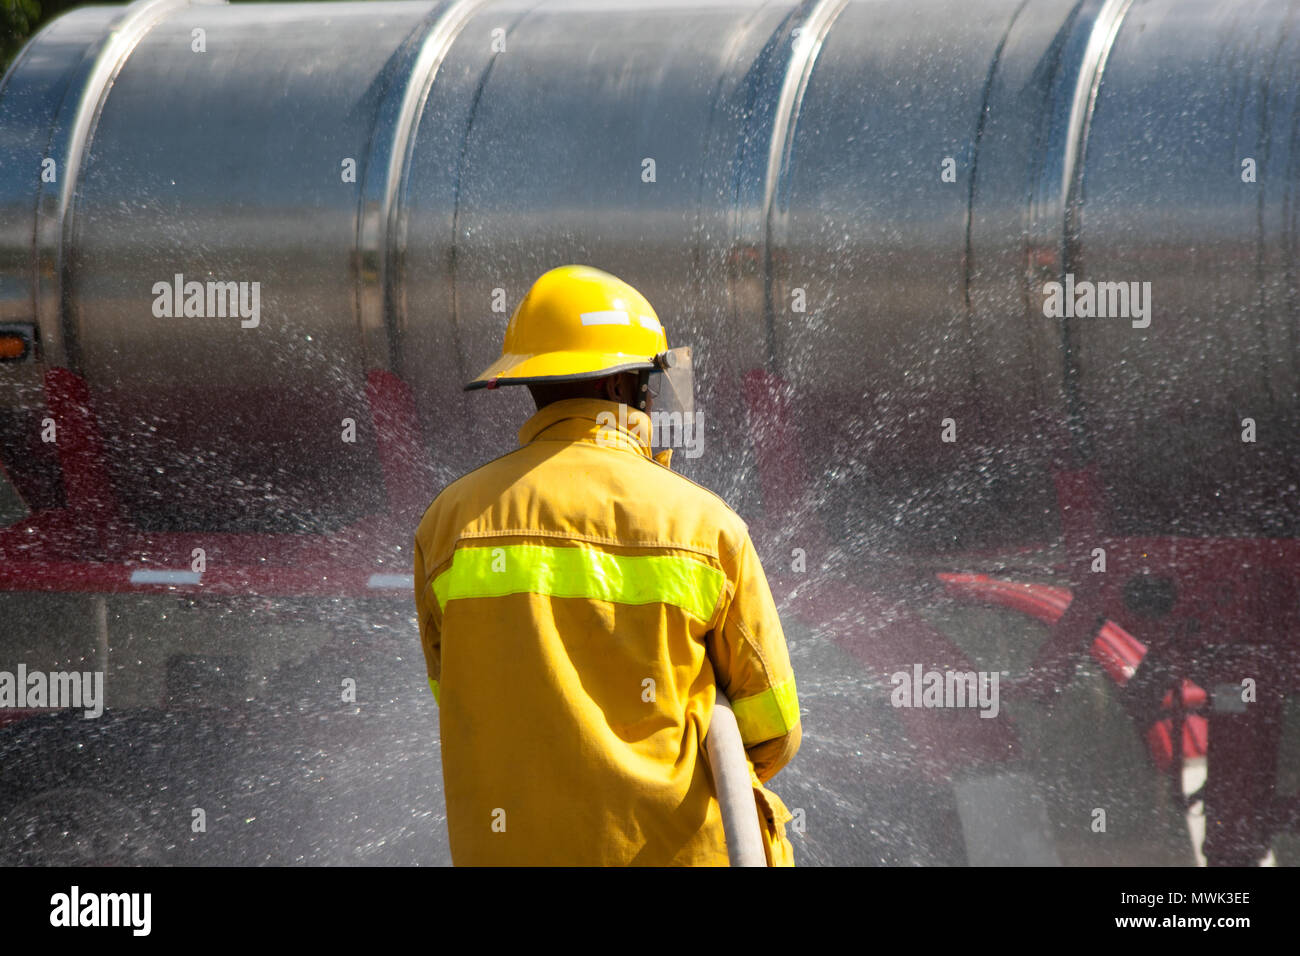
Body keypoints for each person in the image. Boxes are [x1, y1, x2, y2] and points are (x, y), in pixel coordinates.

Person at [412, 264, 800, 865]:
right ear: (621, 389)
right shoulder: (703, 525)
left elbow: (461, 692)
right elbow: (773, 727)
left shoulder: (448, 524)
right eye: (646, 383)